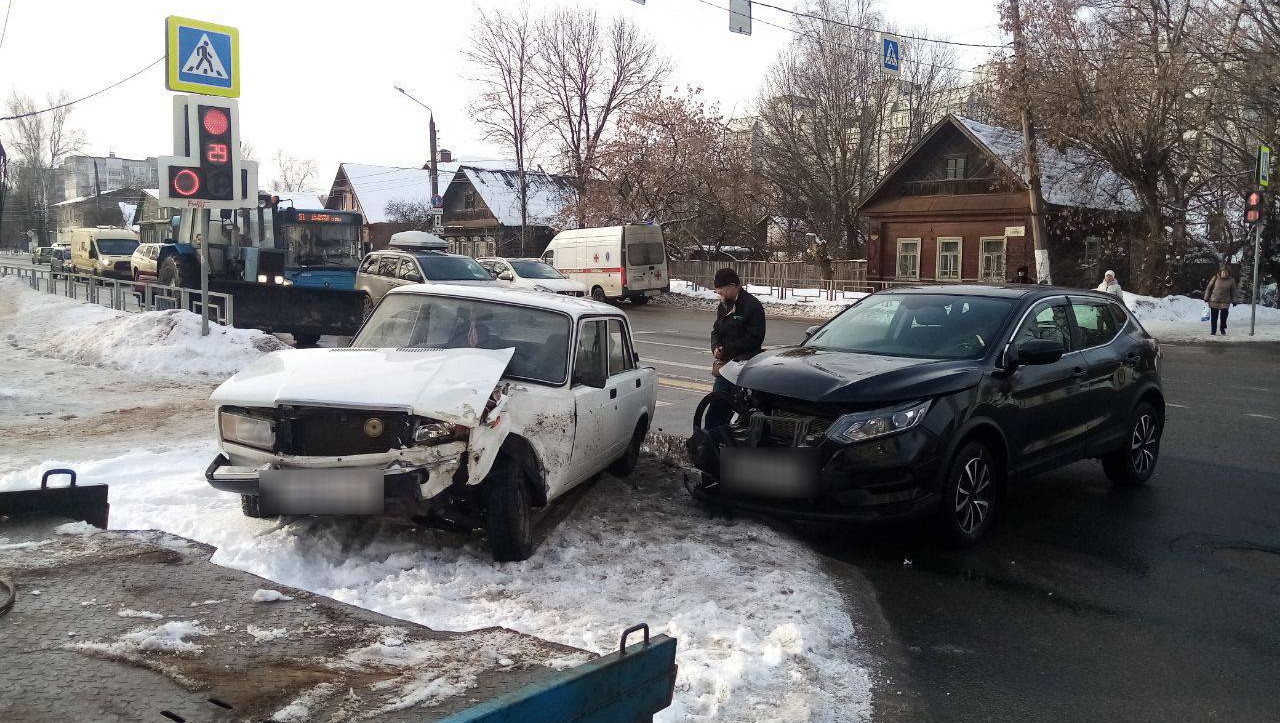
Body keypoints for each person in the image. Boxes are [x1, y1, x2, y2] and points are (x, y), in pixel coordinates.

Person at [704, 268, 765, 430]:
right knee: (716, 407)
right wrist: (716, 346)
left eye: (721, 291)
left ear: (733, 286)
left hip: (744, 368)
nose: (720, 295)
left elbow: (754, 339)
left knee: (742, 410)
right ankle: (710, 443)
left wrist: (727, 349)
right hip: (725, 366)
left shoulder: (752, 306)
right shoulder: (723, 306)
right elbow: (716, 330)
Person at [1204, 264, 1237, 336]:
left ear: (1229, 272)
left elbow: (1233, 291)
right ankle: (1213, 330)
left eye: (1226, 272)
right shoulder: (1215, 277)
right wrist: (1206, 297)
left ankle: (1222, 329)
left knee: (1224, 316)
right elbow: (1209, 287)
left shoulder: (1231, 280)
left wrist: (1234, 300)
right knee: (1214, 317)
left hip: (1225, 301)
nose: (1224, 273)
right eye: (1223, 272)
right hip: (1214, 300)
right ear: (1220, 272)